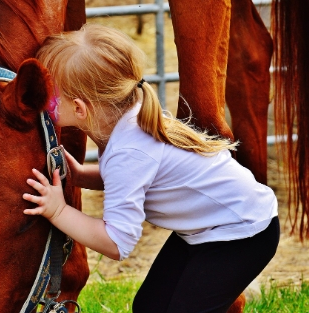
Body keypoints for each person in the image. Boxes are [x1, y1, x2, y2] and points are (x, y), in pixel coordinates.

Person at [22, 23, 279, 312]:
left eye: (48, 96)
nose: (42, 103)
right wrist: (82, 176)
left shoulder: (128, 151)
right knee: (149, 306)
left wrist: (58, 211)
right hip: (216, 226)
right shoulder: (128, 120)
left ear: (80, 108)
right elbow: (137, 179)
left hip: (243, 233)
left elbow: (117, 242)